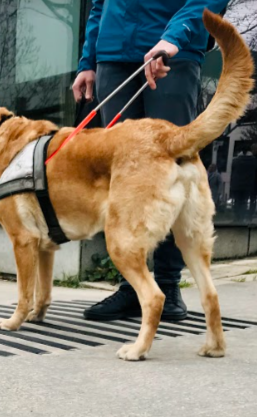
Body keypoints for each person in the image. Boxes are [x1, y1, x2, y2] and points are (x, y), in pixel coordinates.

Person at [73, 0, 229, 321]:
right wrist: (88, 61)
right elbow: (100, 5)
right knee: (125, 178)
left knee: (171, 171)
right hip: (114, 56)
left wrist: (175, 36)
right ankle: (132, 286)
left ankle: (168, 285)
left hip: (172, 53)